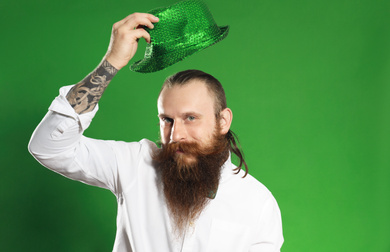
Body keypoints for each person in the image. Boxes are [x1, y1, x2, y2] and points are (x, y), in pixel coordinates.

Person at [28, 13, 283, 252]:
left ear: (223, 121)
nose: (175, 135)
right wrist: (112, 62)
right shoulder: (134, 164)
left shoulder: (258, 203)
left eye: (190, 118)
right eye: (167, 120)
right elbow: (49, 147)